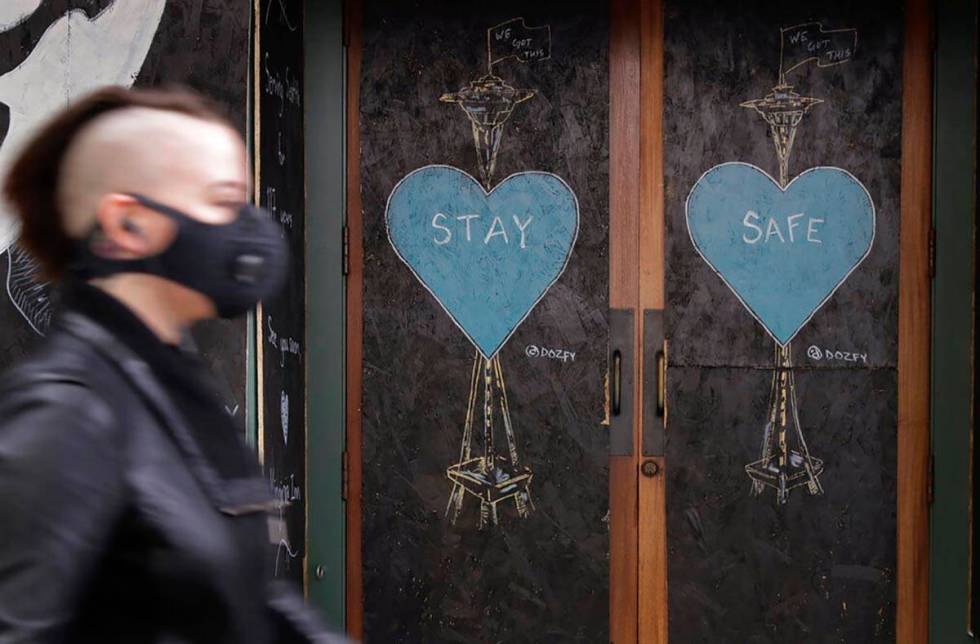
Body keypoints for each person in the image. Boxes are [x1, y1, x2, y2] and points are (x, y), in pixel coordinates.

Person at [0, 86, 343, 643]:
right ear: (129, 226)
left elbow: (244, 601)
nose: (249, 227)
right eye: (224, 200)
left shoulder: (176, 389)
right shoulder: (66, 410)